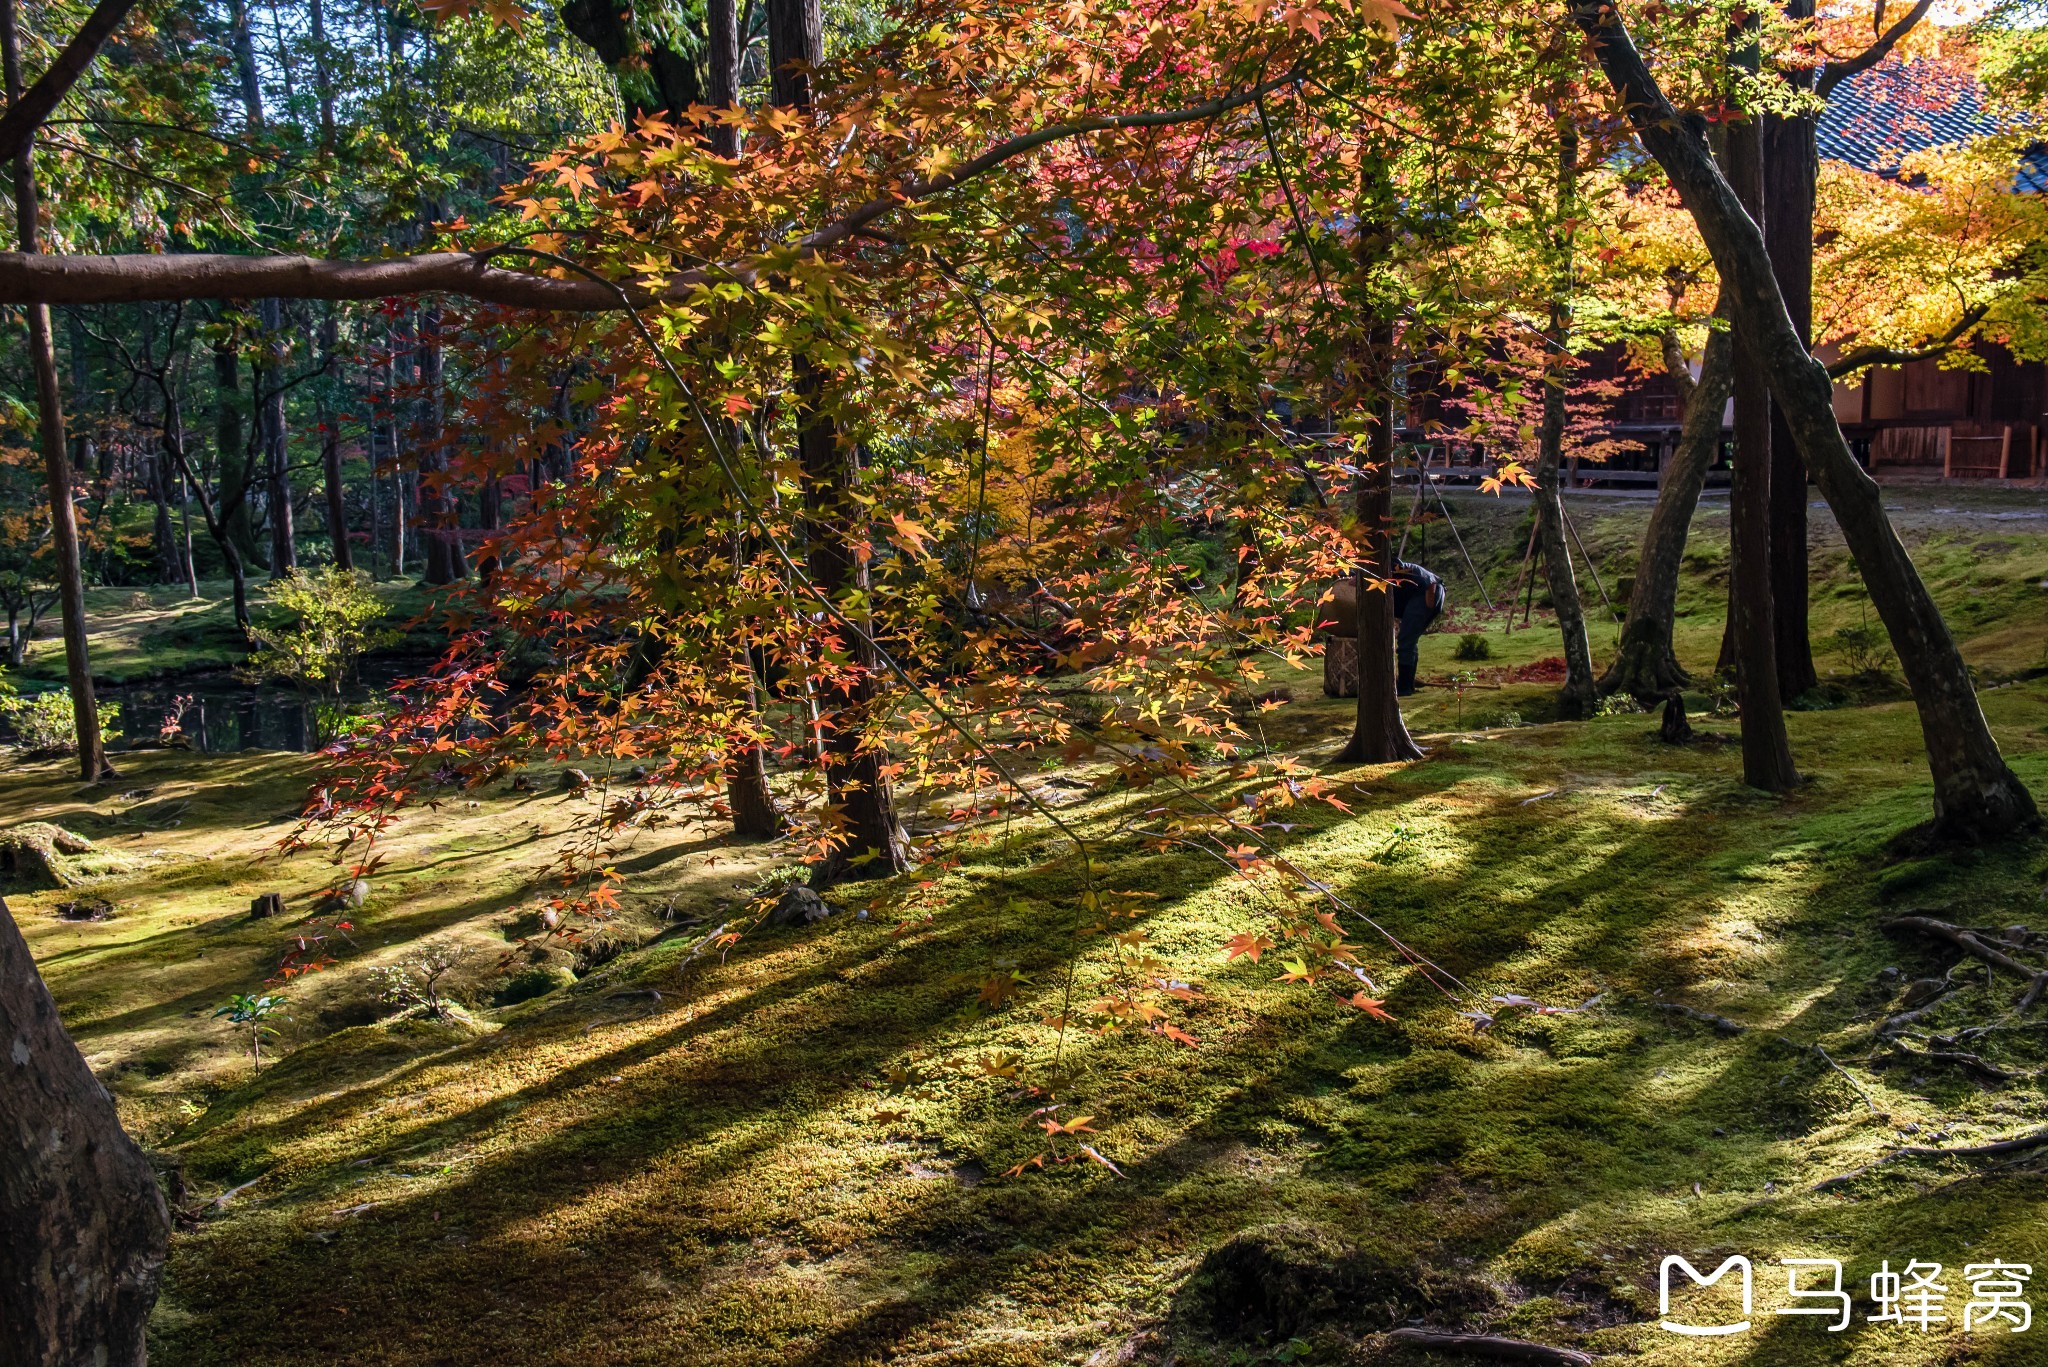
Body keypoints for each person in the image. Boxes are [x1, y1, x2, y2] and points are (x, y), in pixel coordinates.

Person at [1390, 560, 1446, 696]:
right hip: (1426, 593)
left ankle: (1404, 687)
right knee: (1409, 640)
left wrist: (1428, 606)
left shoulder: (1394, 567)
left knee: (1406, 640)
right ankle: (1408, 684)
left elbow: (1430, 582)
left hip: (1429, 591)